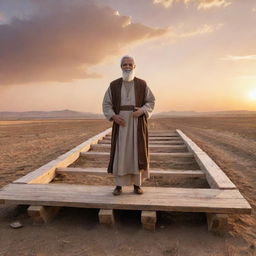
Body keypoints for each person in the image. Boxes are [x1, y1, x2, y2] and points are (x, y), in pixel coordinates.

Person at [102, 55, 155, 195]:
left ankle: (137, 185)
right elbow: (106, 104)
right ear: (121, 67)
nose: (127, 67)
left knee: (136, 152)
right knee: (121, 153)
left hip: (137, 123)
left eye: (130, 64)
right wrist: (114, 116)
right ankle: (118, 186)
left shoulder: (142, 84)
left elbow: (151, 101)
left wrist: (142, 110)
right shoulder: (113, 85)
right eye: (125, 64)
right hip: (121, 124)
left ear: (134, 67)